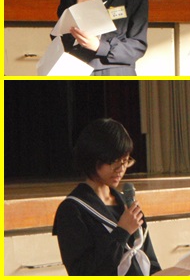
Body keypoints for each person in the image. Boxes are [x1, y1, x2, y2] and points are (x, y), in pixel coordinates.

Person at [53, 118, 161, 276]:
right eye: (114, 161)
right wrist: (122, 232)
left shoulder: (127, 204)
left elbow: (151, 263)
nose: (120, 169)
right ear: (93, 158)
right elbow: (83, 272)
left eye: (125, 161)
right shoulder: (72, 210)